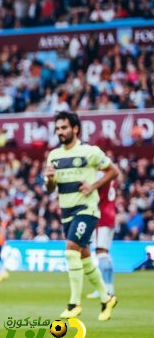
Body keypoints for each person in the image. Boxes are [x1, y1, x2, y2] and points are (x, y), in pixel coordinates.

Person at [45, 111, 119, 321]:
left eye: (64, 127)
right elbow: (50, 188)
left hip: (87, 210)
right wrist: (50, 179)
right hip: (66, 212)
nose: (60, 132)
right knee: (85, 259)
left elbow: (113, 171)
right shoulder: (54, 156)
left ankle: (74, 303)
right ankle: (107, 298)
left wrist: (93, 186)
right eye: (57, 128)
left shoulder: (90, 151)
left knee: (70, 251)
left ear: (75, 128)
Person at [87, 175, 117, 298]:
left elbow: (94, 195)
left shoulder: (100, 175)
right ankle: (109, 287)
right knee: (105, 252)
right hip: (111, 214)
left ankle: (104, 289)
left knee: (100, 252)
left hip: (102, 216)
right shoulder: (111, 176)